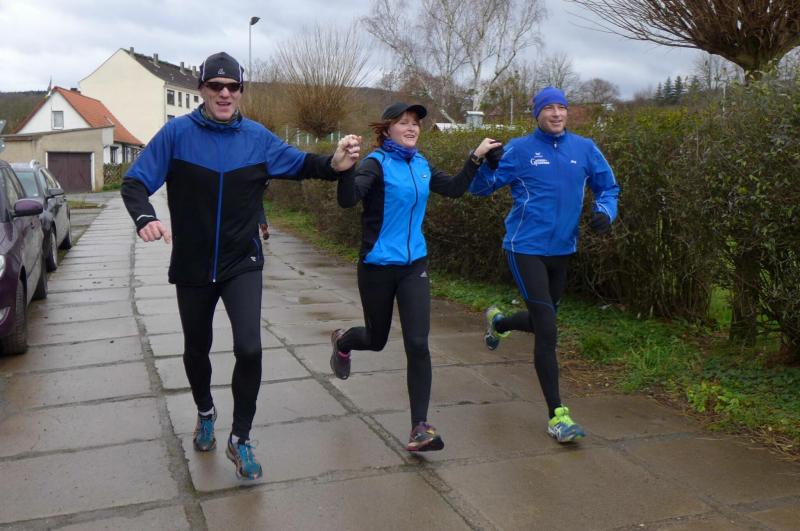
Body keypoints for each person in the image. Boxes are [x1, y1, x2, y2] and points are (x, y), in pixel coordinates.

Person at [121, 51, 361, 480]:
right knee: (197, 348)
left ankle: (241, 437)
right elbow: (135, 181)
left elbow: (302, 163)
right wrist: (145, 217)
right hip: (192, 263)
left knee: (250, 348)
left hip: (241, 261)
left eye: (233, 87)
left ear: (240, 92)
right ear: (202, 90)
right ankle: (205, 411)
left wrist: (334, 163)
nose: (225, 94)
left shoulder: (257, 138)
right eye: (216, 86)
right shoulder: (176, 134)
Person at [330, 102, 500, 452]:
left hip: (413, 266)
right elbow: (348, 200)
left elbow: (453, 188)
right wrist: (345, 170)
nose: (411, 128)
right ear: (387, 130)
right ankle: (344, 342)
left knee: (418, 344)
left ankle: (419, 427)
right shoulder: (375, 164)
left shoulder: (421, 164)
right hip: (377, 266)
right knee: (376, 339)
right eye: (403, 123)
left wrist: (476, 157)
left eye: (416, 124)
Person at [469, 86, 619, 443]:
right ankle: (558, 416)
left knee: (543, 320)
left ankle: (500, 322)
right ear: (537, 113)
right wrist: (487, 165)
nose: (556, 113)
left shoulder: (584, 148)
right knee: (548, 329)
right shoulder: (520, 149)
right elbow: (481, 188)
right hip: (524, 246)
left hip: (562, 249)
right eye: (548, 108)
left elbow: (608, 187)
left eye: (561, 107)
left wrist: (605, 212)